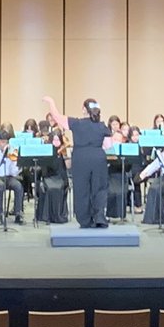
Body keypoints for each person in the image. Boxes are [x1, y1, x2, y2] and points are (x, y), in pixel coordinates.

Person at [45, 95, 111, 229]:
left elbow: (57, 117)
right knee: (99, 188)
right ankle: (99, 216)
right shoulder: (102, 126)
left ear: (83, 109)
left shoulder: (76, 123)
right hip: (98, 157)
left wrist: (51, 102)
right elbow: (109, 145)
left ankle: (85, 219)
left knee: (81, 188)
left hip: (80, 157)